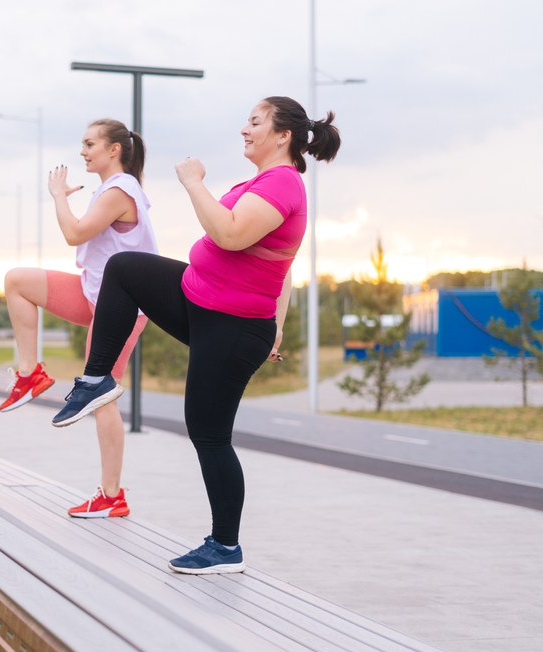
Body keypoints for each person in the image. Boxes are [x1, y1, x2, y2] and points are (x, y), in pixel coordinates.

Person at [52, 97, 340, 573]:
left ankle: (225, 547)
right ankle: (95, 380)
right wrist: (280, 326)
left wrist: (193, 183)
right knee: (123, 269)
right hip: (199, 299)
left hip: (232, 324)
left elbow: (228, 234)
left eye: (255, 122)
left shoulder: (284, 183)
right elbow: (282, 269)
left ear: (282, 135)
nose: (244, 129)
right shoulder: (262, 182)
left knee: (208, 433)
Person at [1, 118, 158, 518]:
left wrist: (57, 195)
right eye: (82, 144)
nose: (83, 151)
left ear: (114, 149)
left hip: (120, 309)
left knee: (101, 396)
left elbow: (74, 234)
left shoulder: (121, 189)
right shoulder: (110, 188)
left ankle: (111, 496)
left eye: (90, 144)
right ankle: (29, 374)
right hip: (93, 292)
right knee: (17, 281)